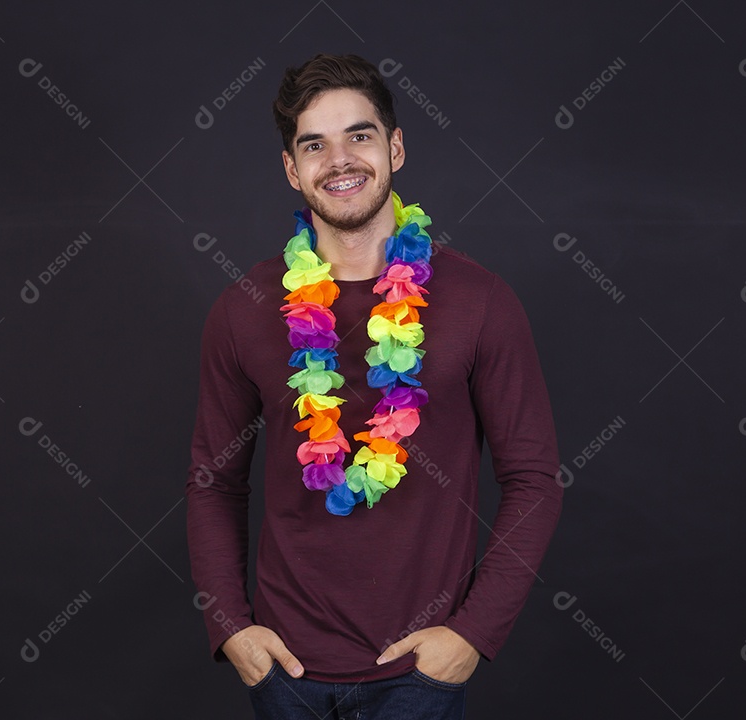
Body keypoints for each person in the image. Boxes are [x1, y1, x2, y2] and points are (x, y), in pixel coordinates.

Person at [186, 53, 562, 720]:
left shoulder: (480, 301)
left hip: (420, 671)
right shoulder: (244, 307)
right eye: (314, 144)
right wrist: (232, 628)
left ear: (394, 147)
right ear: (291, 170)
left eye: (359, 135)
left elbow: (534, 478)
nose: (340, 160)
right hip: (284, 669)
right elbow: (214, 481)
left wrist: (472, 634)